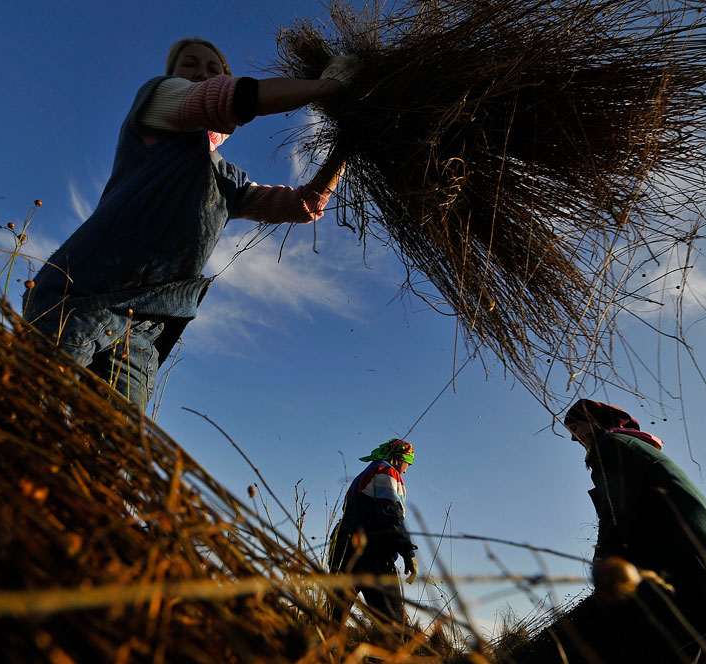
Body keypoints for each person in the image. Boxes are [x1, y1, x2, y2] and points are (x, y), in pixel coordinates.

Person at [22, 37, 357, 409]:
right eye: (190, 65)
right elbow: (225, 99)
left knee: (106, 459)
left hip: (144, 330)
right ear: (172, 76)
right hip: (80, 299)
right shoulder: (156, 102)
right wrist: (329, 87)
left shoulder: (228, 179)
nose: (201, 73)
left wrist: (347, 143)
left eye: (214, 69)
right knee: (27, 423)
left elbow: (303, 205)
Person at [562, 398, 706, 663]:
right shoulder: (631, 445)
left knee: (672, 649)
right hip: (695, 569)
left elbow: (617, 511)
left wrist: (604, 563)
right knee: (692, 647)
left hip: (678, 571)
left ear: (591, 421)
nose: (574, 438)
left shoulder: (611, 446)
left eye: (574, 428)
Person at [327, 438, 418, 627]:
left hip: (343, 550)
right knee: (392, 621)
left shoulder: (364, 475)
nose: (406, 469)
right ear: (398, 458)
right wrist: (408, 552)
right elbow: (390, 514)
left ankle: (320, 653)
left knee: (333, 616)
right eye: (407, 463)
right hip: (372, 554)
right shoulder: (387, 472)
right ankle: (389, 655)